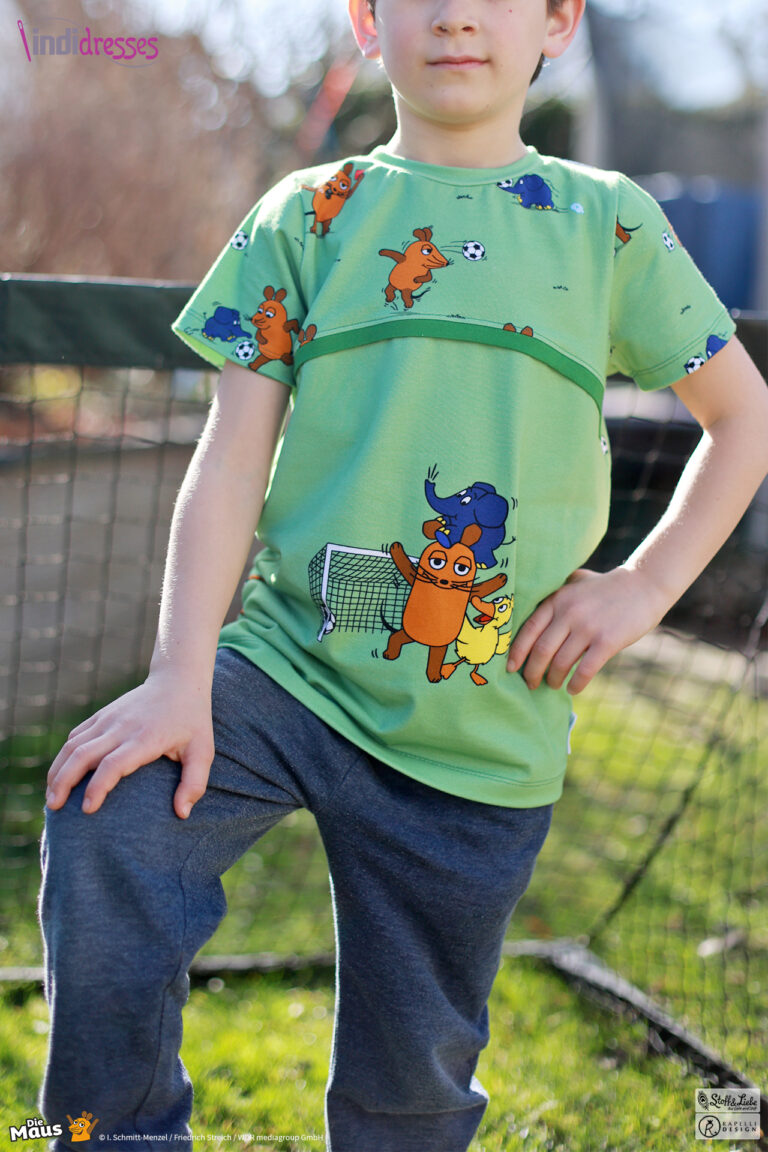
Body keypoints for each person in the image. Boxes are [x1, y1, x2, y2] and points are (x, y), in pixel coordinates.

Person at [40, 1, 768, 1149]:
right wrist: (178, 678)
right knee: (111, 817)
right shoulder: (305, 216)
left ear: (558, 21)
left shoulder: (608, 224)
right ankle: (109, 1135)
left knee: (412, 1081)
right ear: (367, 21)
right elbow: (229, 460)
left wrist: (643, 587)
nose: (457, 14)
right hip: (285, 672)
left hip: (483, 726)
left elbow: (744, 418)